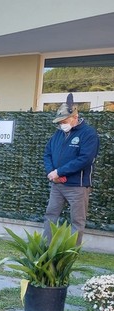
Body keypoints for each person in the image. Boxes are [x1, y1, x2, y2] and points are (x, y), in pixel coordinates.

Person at [43, 95, 100, 245]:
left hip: (78, 186)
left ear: (75, 117)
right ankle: (46, 249)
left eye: (64, 121)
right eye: (60, 122)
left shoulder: (88, 134)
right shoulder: (58, 134)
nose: (62, 124)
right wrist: (51, 173)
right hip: (57, 184)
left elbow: (85, 159)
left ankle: (70, 254)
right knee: (50, 215)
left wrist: (59, 171)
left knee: (77, 221)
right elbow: (48, 152)